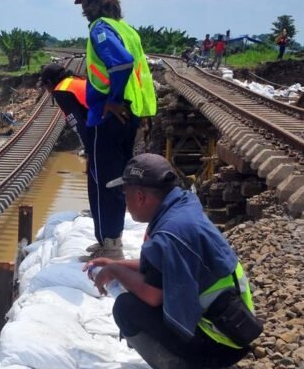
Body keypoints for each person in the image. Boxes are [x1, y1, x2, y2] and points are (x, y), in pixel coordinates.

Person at [86, 154, 258, 368]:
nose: (125, 203)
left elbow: (153, 296)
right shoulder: (181, 208)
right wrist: (116, 265)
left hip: (219, 343)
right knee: (135, 290)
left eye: (125, 194)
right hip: (236, 326)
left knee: (126, 308)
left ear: (140, 197)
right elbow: (162, 268)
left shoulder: (169, 234)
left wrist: (115, 272)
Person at [75, 0, 157, 261]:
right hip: (130, 115)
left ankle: (110, 245)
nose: (83, 9)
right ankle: (111, 240)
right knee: (116, 179)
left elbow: (122, 63)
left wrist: (111, 100)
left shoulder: (100, 28)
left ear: (93, 1)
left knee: (102, 179)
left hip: (109, 117)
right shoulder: (126, 29)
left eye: (85, 2)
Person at [40, 63, 89, 148]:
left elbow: (78, 124)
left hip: (103, 124)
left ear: (49, 82)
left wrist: (88, 149)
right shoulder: (77, 79)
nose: (47, 91)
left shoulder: (61, 91)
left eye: (45, 86)